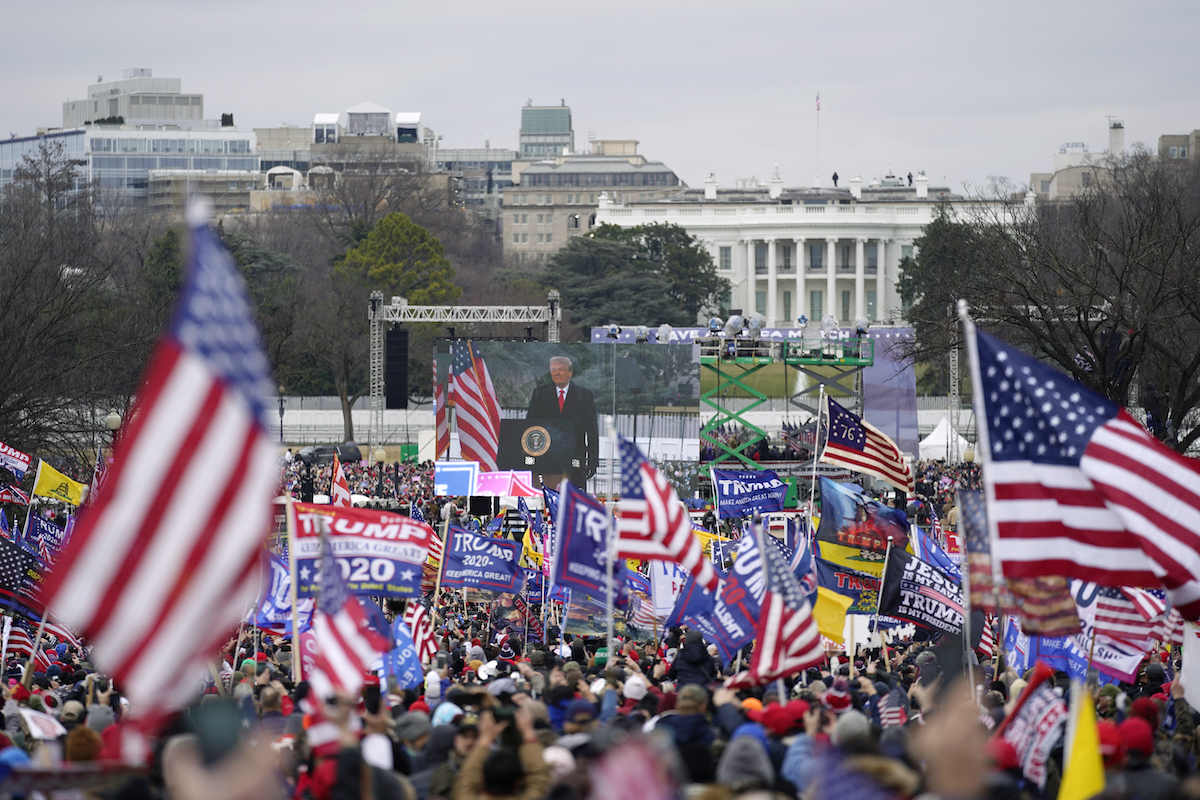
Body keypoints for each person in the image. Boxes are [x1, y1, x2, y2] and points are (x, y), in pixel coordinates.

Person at [526, 356, 599, 487]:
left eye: (560, 369)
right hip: (547, 460)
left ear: (570, 373)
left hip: (575, 459)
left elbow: (592, 431)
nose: (556, 372)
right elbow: (530, 427)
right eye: (553, 369)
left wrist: (592, 461)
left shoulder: (584, 395)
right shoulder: (540, 394)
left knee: (572, 501)